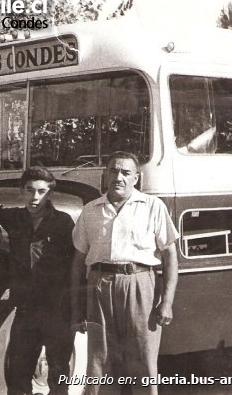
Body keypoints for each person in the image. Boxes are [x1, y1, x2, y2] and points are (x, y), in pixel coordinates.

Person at [71, 151, 179, 395]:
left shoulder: (153, 206)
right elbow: (78, 261)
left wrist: (167, 302)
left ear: (136, 178)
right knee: (99, 361)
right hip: (98, 285)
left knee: (142, 359)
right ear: (105, 175)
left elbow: (171, 256)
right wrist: (77, 306)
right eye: (113, 171)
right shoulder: (90, 210)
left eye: (125, 173)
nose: (118, 177)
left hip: (140, 285)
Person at [0, 167, 75, 395]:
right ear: (21, 191)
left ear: (50, 193)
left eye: (42, 191)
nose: (35, 197)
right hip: (25, 309)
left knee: (59, 374)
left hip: (56, 310)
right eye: (30, 190)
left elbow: (74, 264)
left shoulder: (63, 222)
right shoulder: (14, 217)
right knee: (18, 375)